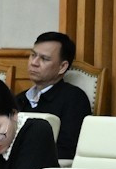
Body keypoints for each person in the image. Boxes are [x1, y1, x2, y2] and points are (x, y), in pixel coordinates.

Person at [16, 31, 93, 160]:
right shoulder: (19, 99)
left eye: (44, 59)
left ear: (62, 67)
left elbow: (69, 149)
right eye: (33, 55)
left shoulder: (74, 99)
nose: (34, 63)